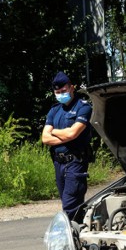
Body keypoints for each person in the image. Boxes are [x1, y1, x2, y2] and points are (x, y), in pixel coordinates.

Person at [42, 71, 93, 222]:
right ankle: (80, 232)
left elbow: (73, 133)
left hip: (75, 162)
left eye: (63, 91)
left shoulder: (83, 107)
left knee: (70, 204)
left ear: (72, 88)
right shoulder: (54, 110)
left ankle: (71, 235)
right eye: (57, 92)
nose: (60, 94)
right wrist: (66, 135)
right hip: (58, 162)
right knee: (68, 202)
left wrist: (55, 132)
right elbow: (45, 138)